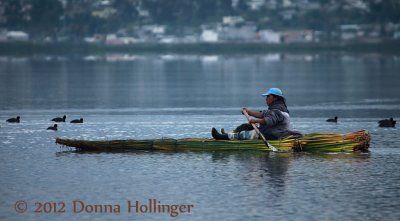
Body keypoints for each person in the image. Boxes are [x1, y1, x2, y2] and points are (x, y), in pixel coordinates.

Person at [212, 88, 302, 140]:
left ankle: (221, 137)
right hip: (268, 131)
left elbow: (268, 121)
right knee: (245, 126)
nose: (266, 99)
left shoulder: (278, 110)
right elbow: (262, 114)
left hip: (273, 135)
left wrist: (254, 120)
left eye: (268, 96)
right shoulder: (274, 109)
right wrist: (249, 112)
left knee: (245, 134)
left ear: (275, 98)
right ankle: (227, 135)